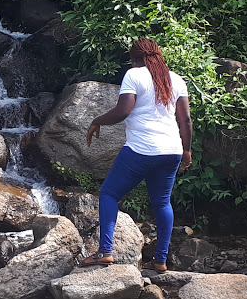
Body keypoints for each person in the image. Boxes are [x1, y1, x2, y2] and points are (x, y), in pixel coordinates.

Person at [81, 38, 193, 273]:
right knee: (162, 202)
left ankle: (105, 251)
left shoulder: (134, 75)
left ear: (134, 58)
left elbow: (123, 111)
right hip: (171, 150)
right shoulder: (177, 79)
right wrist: (186, 150)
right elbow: (185, 120)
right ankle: (160, 260)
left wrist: (97, 120)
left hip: (142, 149)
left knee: (109, 193)